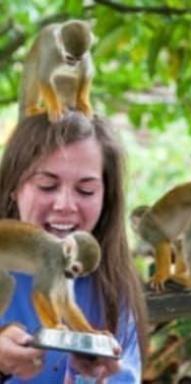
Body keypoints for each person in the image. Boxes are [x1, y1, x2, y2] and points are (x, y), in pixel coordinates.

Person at [0, 112, 148, 382]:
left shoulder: (110, 287)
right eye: (47, 186)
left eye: (86, 191)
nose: (65, 205)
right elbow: (47, 300)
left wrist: (94, 375)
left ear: (106, 199)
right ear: (14, 188)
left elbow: (67, 305)